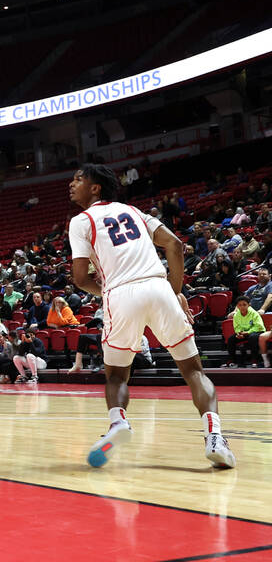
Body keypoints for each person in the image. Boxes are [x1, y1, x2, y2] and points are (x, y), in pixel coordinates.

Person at [68, 164, 235, 469]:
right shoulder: (133, 210)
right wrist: (174, 290)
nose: (71, 183)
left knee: (117, 375)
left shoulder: (81, 221)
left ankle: (118, 424)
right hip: (158, 286)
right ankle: (214, 437)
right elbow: (174, 244)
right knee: (194, 372)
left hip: (120, 294)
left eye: (79, 179)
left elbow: (80, 278)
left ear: (95, 188)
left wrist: (103, 290)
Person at [227, 295, 262, 367]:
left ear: (249, 305)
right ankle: (232, 360)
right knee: (231, 339)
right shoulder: (236, 315)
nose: (242, 307)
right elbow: (236, 327)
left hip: (256, 332)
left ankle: (254, 360)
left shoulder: (254, 313)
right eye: (240, 305)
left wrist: (248, 332)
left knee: (252, 337)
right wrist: (239, 333)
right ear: (237, 306)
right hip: (244, 333)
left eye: (244, 305)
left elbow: (259, 326)